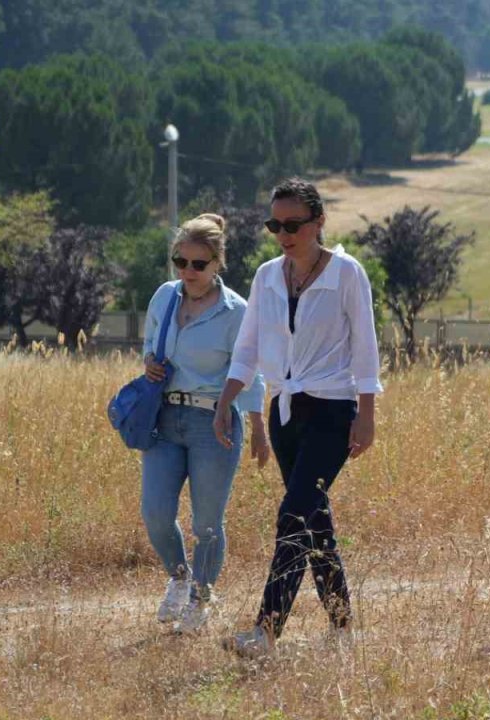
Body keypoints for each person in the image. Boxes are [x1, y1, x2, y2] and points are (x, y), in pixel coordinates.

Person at [215, 177, 382, 658]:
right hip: (285, 411)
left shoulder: (347, 273)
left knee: (293, 514)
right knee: (314, 520)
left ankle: (265, 632)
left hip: (333, 409)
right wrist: (227, 402)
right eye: (275, 224)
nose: (283, 234)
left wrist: (366, 414)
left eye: (293, 224)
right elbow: (246, 347)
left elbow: (366, 349)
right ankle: (344, 627)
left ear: (319, 222)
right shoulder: (267, 276)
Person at [140, 213, 268, 635]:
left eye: (198, 264)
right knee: (156, 513)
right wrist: (149, 362)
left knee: (207, 523)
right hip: (164, 417)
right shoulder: (165, 296)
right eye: (180, 262)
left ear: (217, 264)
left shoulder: (237, 312)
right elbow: (150, 342)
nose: (187, 272)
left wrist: (258, 426)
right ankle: (179, 578)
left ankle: (201, 597)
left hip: (213, 421)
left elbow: (251, 369)